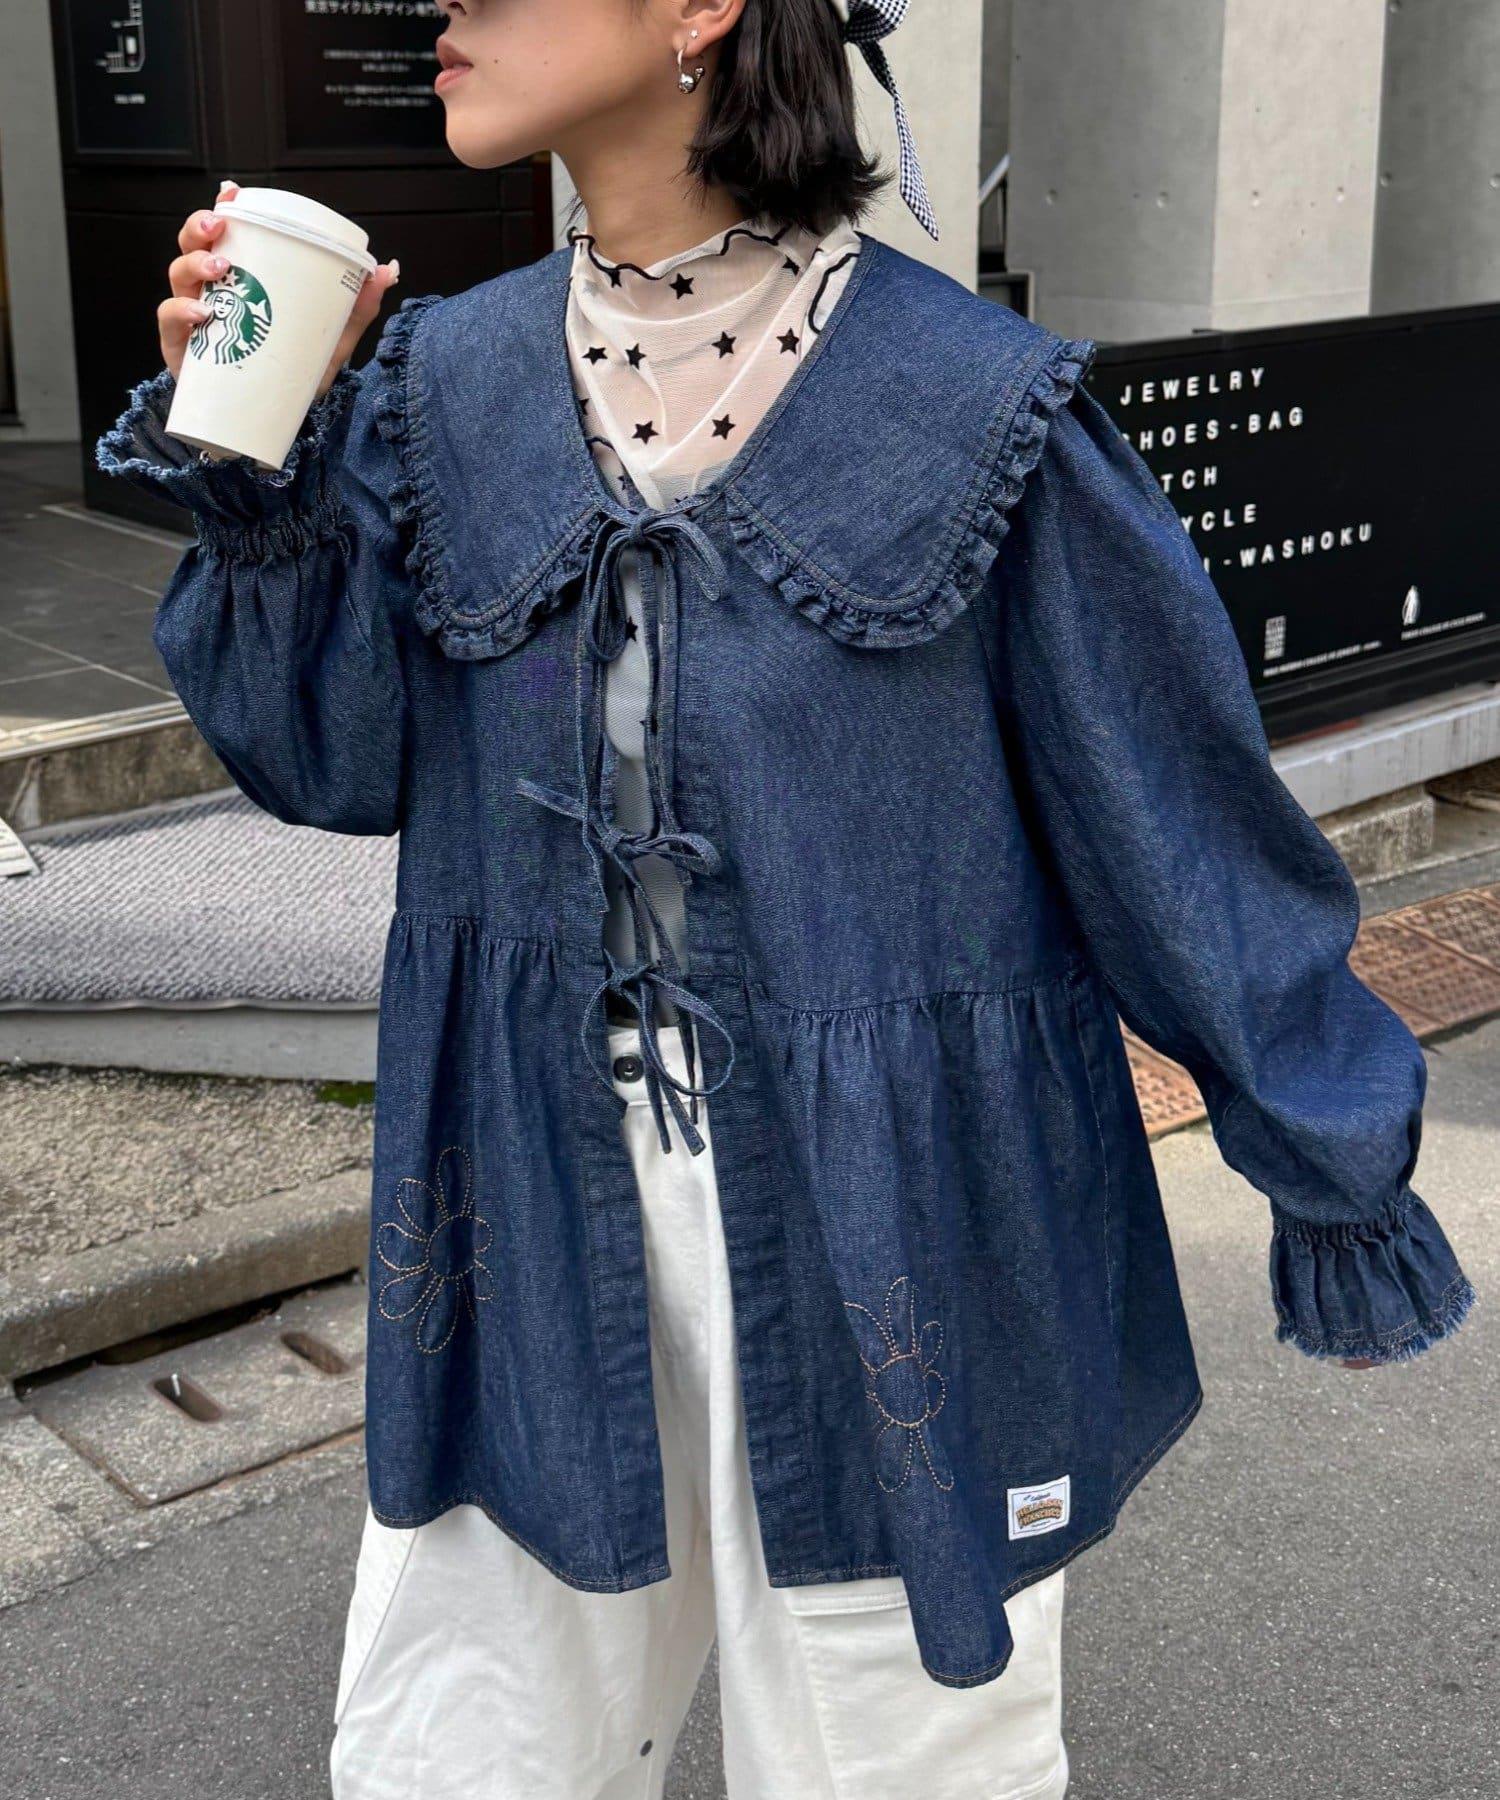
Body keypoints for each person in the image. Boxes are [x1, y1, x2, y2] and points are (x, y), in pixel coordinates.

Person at [95, 0, 1473, 1794]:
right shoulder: (437, 391)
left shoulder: (976, 410)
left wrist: (1332, 1161)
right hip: (520, 1195)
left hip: (892, 1217)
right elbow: (328, 764)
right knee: (467, 1745)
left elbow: (1173, 824)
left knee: (883, 1752)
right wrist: (256, 461)